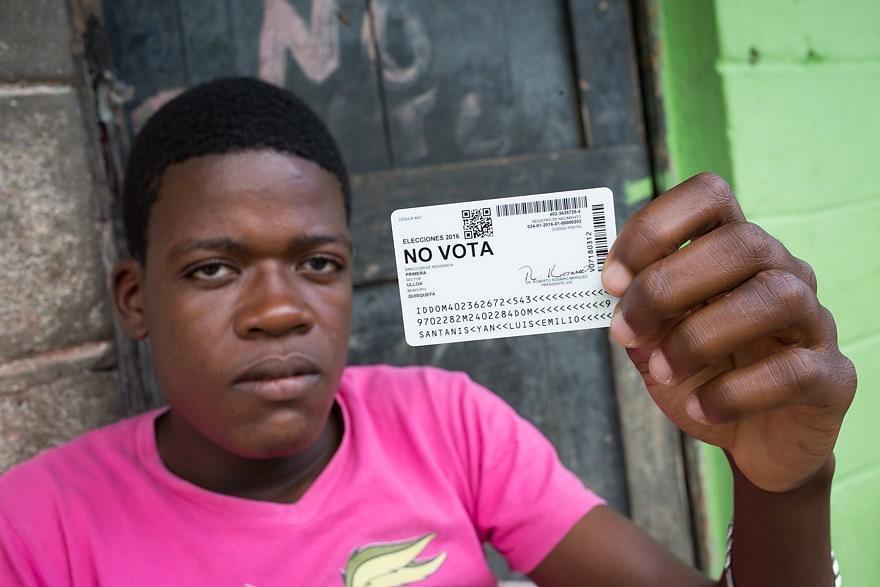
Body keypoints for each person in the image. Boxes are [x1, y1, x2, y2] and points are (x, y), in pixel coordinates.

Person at [0, 77, 855, 586]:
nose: (280, 309)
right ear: (134, 296)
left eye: (320, 263)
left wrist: (785, 485)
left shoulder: (444, 421)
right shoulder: (35, 528)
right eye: (212, 269)